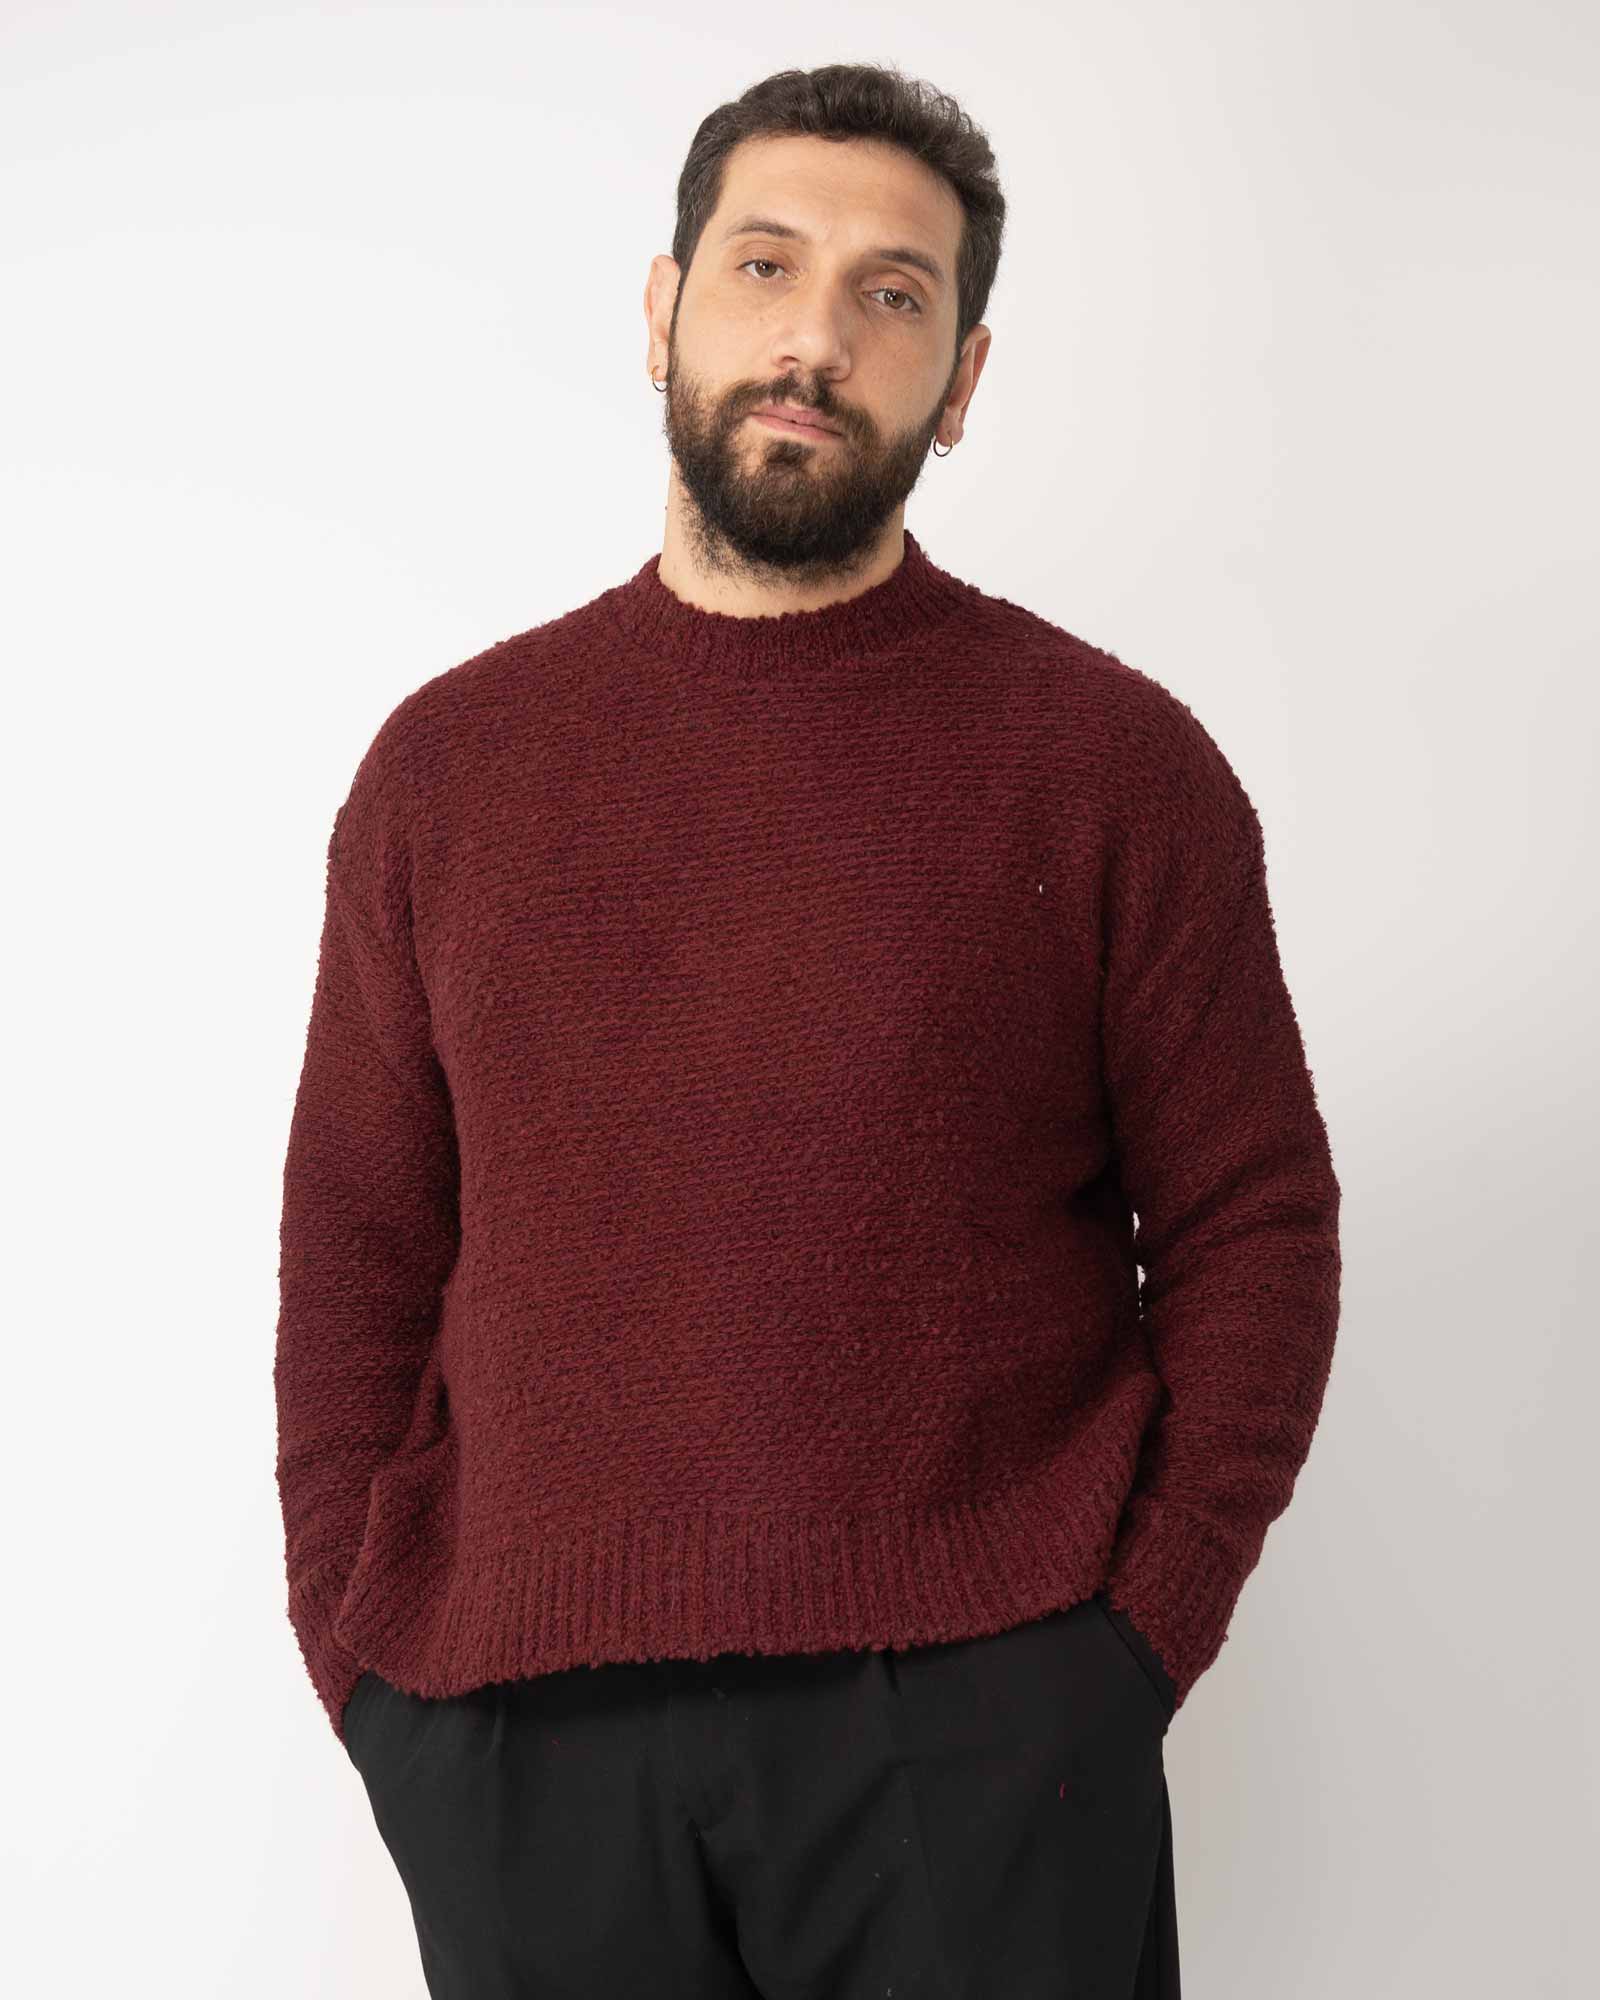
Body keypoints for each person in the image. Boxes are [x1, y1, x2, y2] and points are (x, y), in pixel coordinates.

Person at [275, 60, 1341, 2000]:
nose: (816, 339)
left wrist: (1131, 1642)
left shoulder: (1111, 765)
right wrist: (365, 1668)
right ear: (663, 307)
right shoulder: (446, 773)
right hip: (521, 1734)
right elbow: (358, 1242)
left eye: (890, 294)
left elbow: (1250, 1224)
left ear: (962, 378)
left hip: (984, 1721)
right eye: (765, 266)